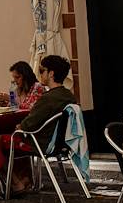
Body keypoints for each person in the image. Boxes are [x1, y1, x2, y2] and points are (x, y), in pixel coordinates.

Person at [6, 55, 77, 193]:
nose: (39, 74)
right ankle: (25, 178)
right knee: (16, 138)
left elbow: (28, 124)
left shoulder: (48, 98)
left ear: (51, 74)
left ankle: (16, 182)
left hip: (41, 142)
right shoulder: (69, 96)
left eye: (41, 70)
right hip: (61, 142)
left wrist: (19, 127)